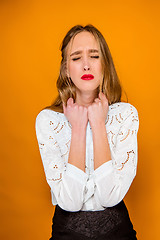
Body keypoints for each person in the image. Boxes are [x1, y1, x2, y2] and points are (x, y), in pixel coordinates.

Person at [35, 24, 139, 240]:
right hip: (66, 233)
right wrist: (79, 127)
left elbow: (110, 197)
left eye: (94, 56)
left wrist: (99, 123)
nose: (85, 65)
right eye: (75, 58)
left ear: (105, 64)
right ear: (66, 69)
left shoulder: (125, 115)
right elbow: (70, 202)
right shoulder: (47, 120)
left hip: (118, 232)